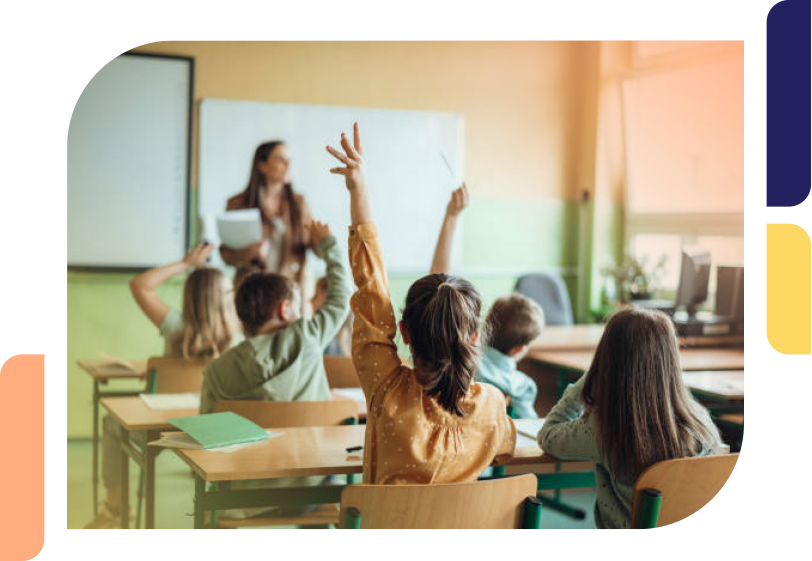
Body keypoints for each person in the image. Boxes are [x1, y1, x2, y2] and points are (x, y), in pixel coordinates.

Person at [327, 122, 515, 485]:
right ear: (474, 337)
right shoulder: (492, 405)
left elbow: (372, 290)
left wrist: (359, 189)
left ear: (404, 333)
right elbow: (506, 448)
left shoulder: (386, 390)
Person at [84, 243, 242, 529]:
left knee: (111, 423)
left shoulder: (176, 327)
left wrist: (185, 263)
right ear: (227, 298)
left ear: (189, 298)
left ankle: (116, 507)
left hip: (166, 428)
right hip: (218, 429)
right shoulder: (237, 339)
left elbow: (140, 285)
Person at [199, 219, 350, 519]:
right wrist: (328, 244)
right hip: (310, 489)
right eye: (295, 307)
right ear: (284, 310)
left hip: (242, 499)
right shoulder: (307, 336)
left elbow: (207, 435)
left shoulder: (217, 370)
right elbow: (341, 296)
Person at [537, 308, 726, 529]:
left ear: (606, 362)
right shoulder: (700, 422)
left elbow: (548, 434)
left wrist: (591, 376)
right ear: (670, 361)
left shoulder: (605, 430)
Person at [429, 183, 544, 419]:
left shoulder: (461, 362)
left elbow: (437, 287)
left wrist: (451, 217)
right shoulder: (521, 387)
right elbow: (529, 431)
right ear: (520, 349)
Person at [219, 141, 315, 315]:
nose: (288, 165)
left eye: (289, 160)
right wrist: (248, 253)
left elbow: (312, 244)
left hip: (292, 290)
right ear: (262, 166)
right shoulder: (238, 203)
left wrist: (322, 240)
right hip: (254, 292)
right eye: (280, 159)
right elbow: (226, 254)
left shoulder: (299, 203)